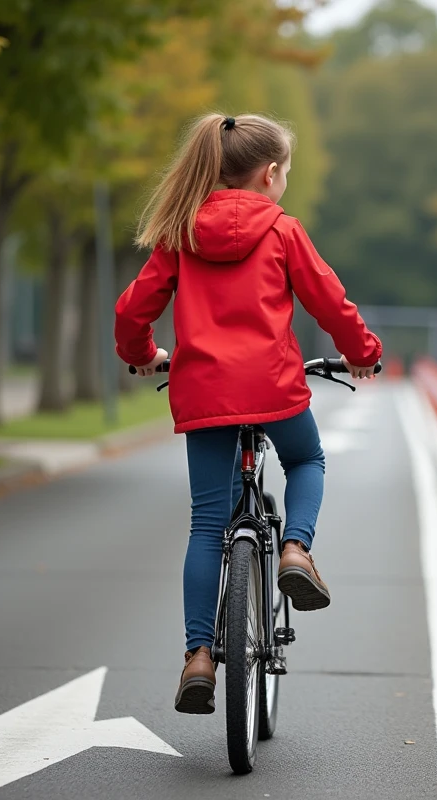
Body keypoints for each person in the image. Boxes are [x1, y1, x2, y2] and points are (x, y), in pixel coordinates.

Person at [115, 113, 382, 714]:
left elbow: (134, 310)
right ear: (269, 175)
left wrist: (144, 356)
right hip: (273, 387)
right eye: (285, 171)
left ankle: (199, 657)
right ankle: (295, 549)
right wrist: (363, 354)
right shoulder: (284, 231)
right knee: (307, 458)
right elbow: (329, 300)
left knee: (207, 524)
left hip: (204, 392)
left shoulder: (179, 232)